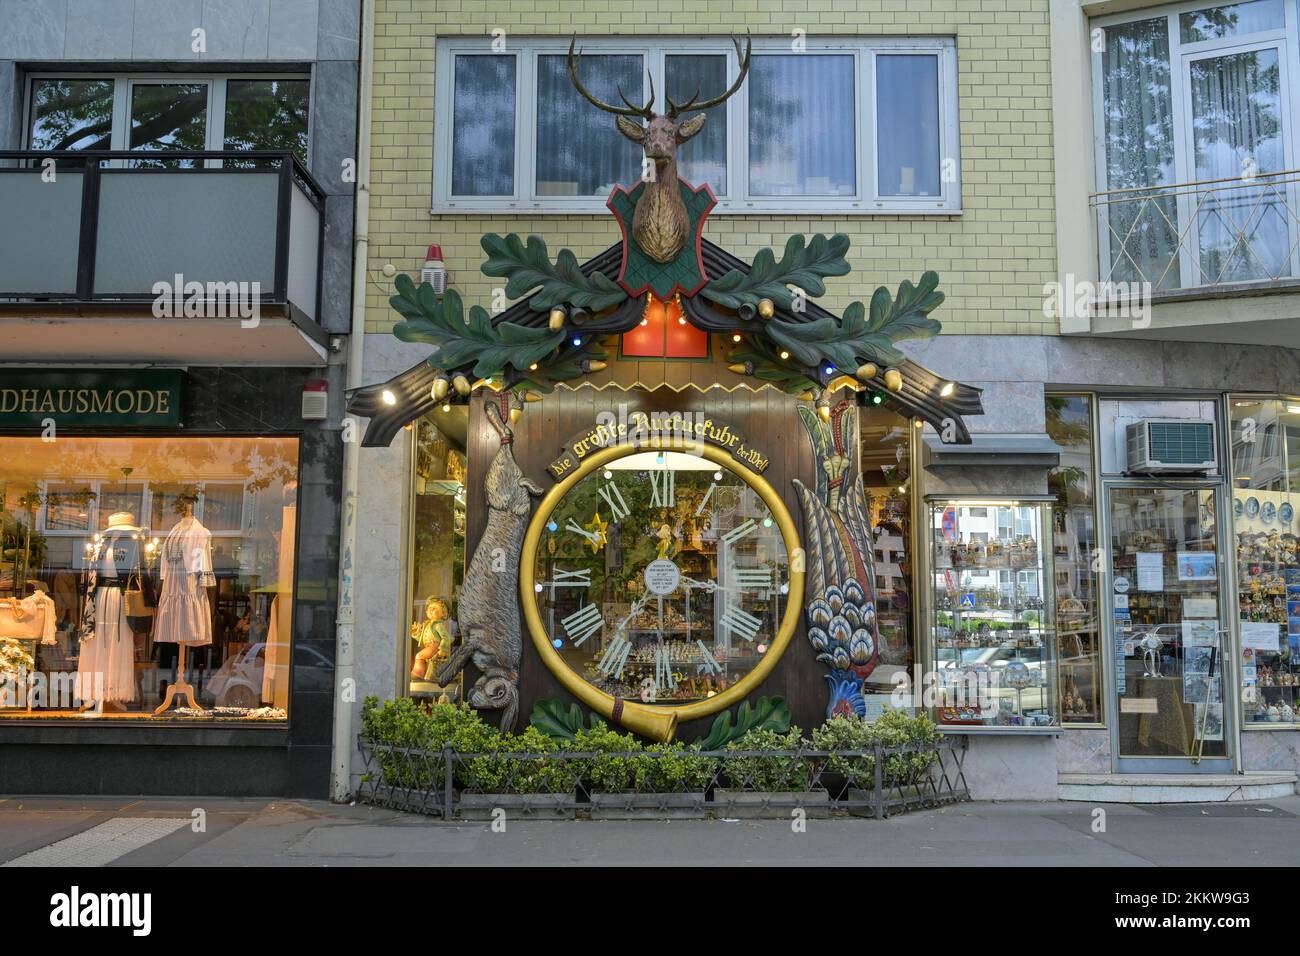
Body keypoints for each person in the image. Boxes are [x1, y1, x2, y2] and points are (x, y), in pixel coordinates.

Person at [410, 597, 453, 680]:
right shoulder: (427, 624)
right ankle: (422, 674)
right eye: (429, 608)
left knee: (419, 656)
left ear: (443, 613)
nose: (431, 610)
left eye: (435, 608)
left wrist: (443, 649)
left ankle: (418, 674)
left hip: (435, 647)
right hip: (429, 646)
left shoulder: (438, 625)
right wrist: (416, 633)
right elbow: (422, 638)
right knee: (421, 657)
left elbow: (446, 637)